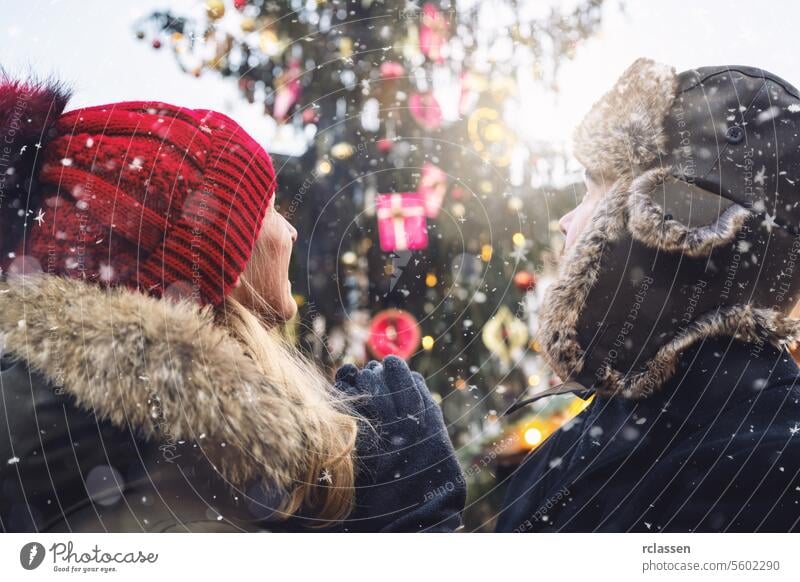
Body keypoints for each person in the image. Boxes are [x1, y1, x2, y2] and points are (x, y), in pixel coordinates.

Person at [0, 76, 465, 532]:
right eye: (271, 208)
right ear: (224, 253)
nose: (291, 230)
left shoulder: (107, 436)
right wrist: (411, 512)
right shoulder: (185, 465)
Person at [497, 59, 800, 532]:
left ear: (667, 221)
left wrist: (418, 516)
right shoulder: (585, 437)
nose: (566, 222)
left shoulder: (768, 465)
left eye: (594, 190)